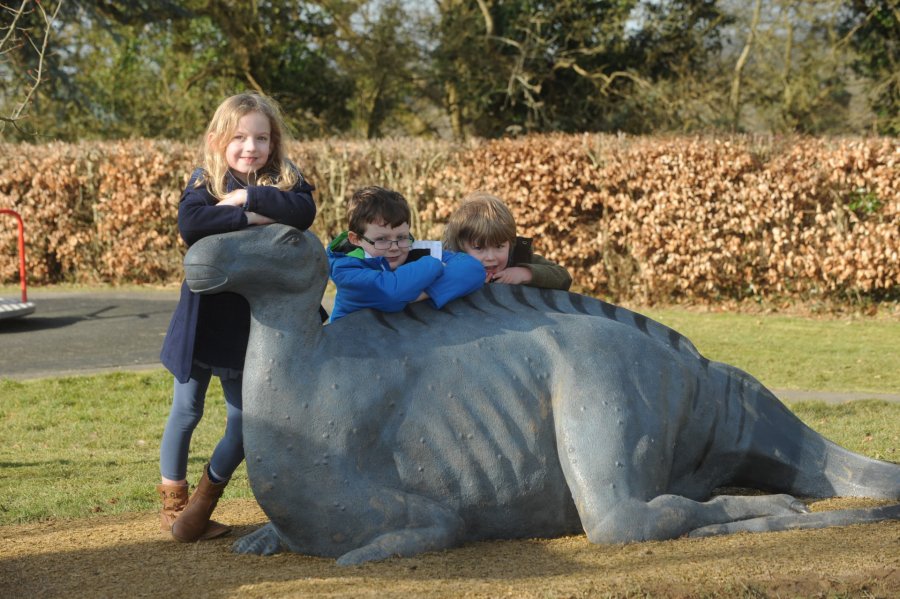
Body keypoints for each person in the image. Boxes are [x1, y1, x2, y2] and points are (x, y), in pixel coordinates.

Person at [157, 92, 317, 542]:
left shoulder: (284, 179)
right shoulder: (204, 179)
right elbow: (192, 225)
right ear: (217, 139)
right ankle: (173, 507)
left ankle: (202, 502)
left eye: (261, 138)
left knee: (245, 422)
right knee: (185, 411)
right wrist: (254, 219)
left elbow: (303, 212)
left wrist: (246, 198)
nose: (251, 147)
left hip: (248, 327)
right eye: (240, 137)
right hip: (201, 320)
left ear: (274, 142)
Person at [327, 186, 484, 322]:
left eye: (401, 237)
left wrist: (423, 293)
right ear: (356, 239)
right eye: (381, 239)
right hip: (349, 347)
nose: (395, 247)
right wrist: (433, 265)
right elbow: (391, 293)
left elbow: (473, 269)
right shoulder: (345, 269)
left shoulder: (413, 249)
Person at [443, 191, 572, 291]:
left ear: (510, 244)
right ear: (461, 247)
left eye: (499, 246)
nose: (490, 257)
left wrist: (524, 274)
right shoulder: (450, 265)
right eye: (479, 248)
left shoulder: (518, 258)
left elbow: (564, 277)